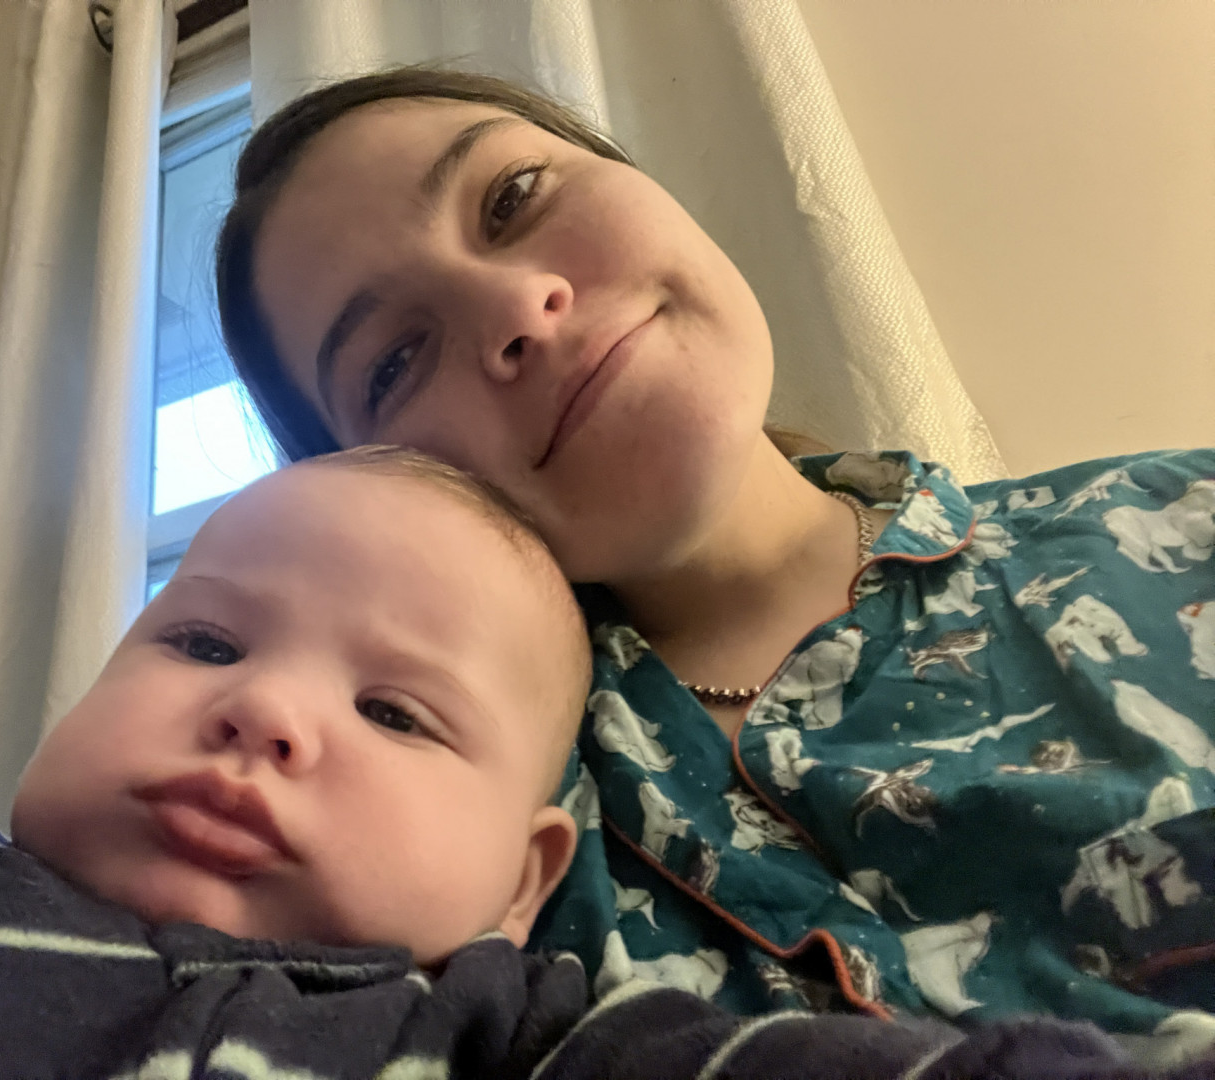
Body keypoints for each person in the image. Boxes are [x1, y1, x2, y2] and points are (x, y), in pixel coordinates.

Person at [211, 65, 1215, 1061]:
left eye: (513, 196)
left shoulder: (1183, 522)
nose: (519, 304)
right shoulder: (450, 842)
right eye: (394, 361)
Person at [0, 447, 1158, 1078]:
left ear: (520, 880)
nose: (265, 712)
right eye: (202, 643)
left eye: (395, 714)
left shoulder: (511, 1036)